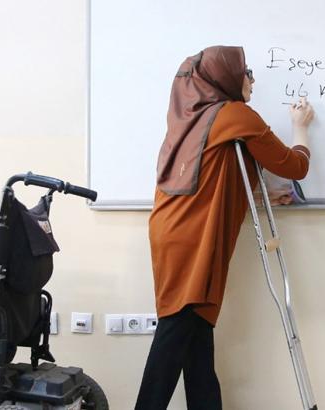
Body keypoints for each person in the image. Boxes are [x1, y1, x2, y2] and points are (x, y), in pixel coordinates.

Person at [135, 45, 314, 410]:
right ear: (225, 77)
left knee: (196, 338)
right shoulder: (235, 114)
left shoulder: (189, 118)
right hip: (194, 237)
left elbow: (210, 179)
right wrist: (300, 128)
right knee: (175, 333)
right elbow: (294, 166)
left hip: (171, 230)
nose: (252, 80)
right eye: (246, 72)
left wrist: (261, 196)